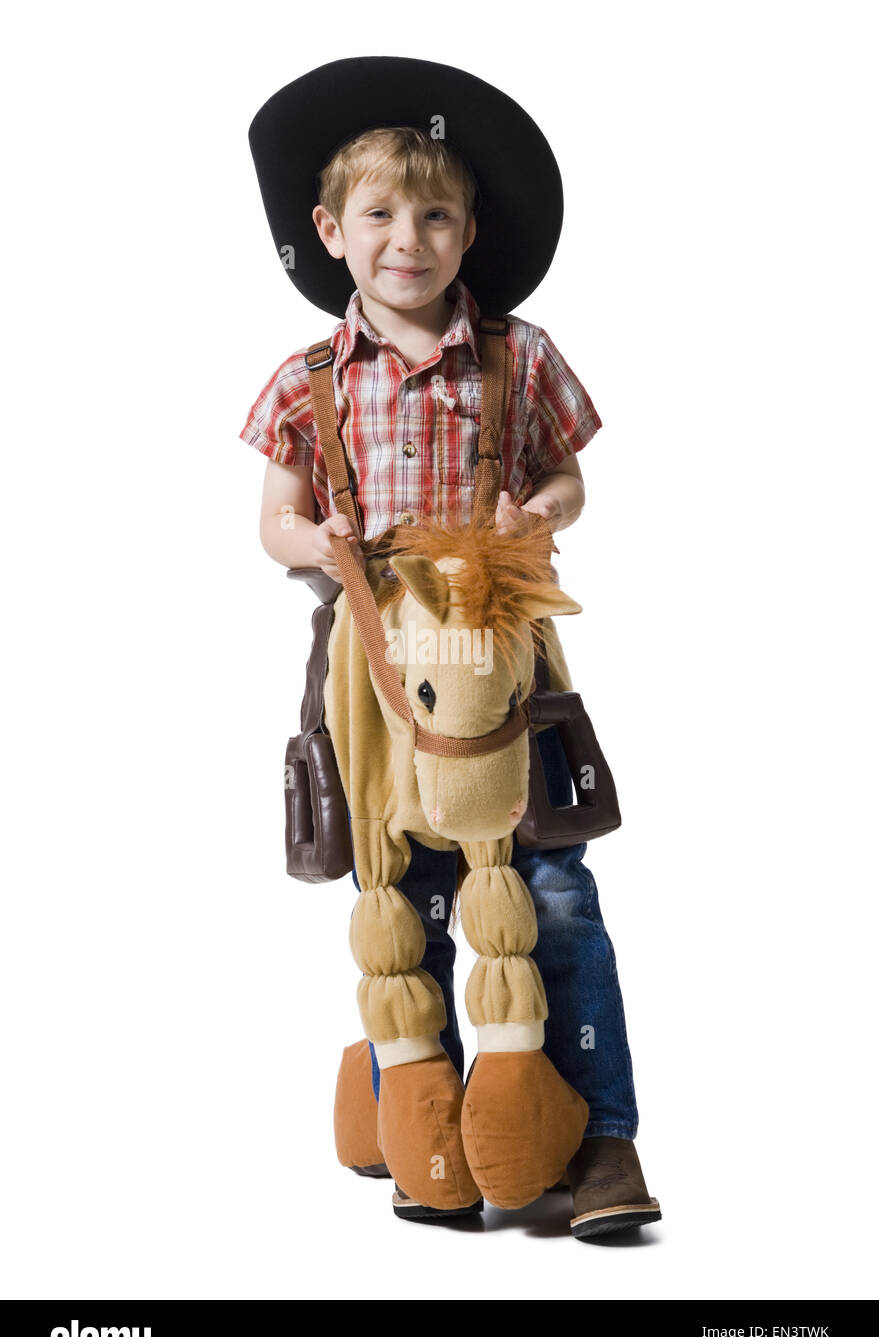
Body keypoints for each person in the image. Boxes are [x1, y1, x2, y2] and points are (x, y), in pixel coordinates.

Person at [239, 58, 661, 1239]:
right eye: (378, 213)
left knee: (554, 888)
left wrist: (545, 512)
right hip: (374, 667)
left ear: (470, 230)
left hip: (495, 647)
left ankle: (597, 1137)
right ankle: (433, 1122)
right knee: (408, 883)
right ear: (330, 231)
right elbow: (270, 518)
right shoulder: (305, 381)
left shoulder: (517, 357)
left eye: (434, 214)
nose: (407, 239)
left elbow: (567, 475)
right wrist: (314, 540)